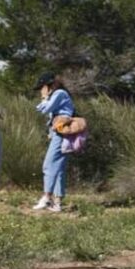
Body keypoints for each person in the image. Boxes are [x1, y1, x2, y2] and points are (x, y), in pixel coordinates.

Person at [33, 73, 76, 213]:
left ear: (50, 85)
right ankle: (57, 203)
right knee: (59, 168)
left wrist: (44, 97)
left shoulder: (59, 93)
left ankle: (47, 198)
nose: (41, 90)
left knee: (49, 165)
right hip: (61, 132)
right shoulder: (61, 94)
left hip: (61, 133)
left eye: (43, 87)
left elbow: (44, 109)